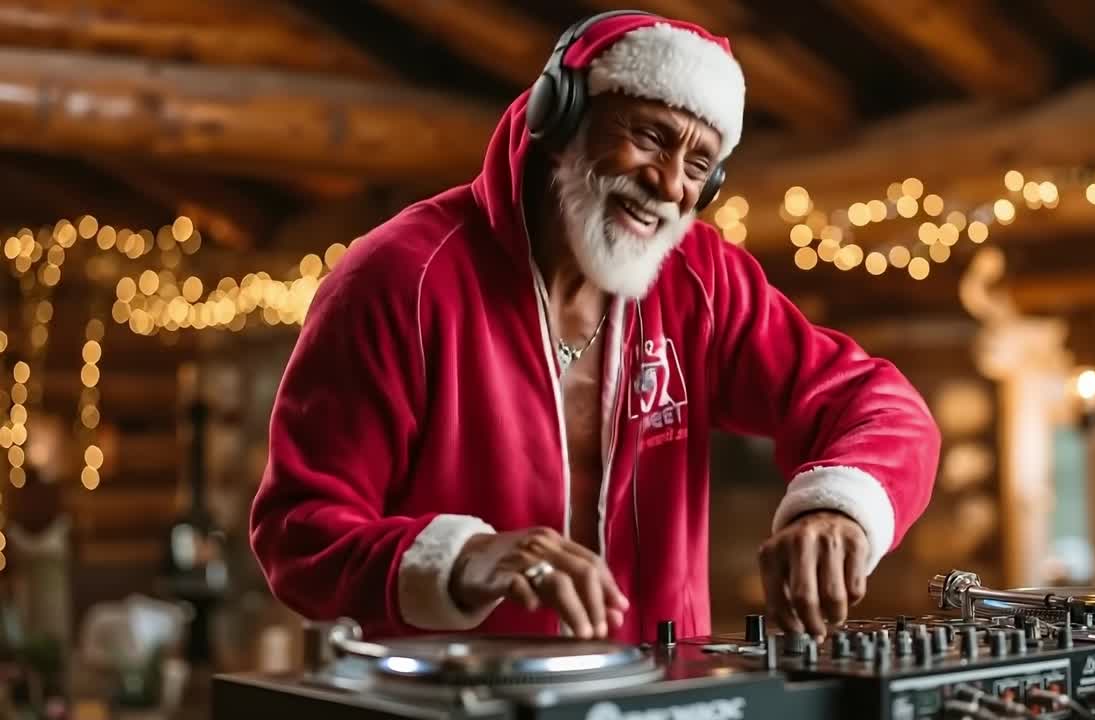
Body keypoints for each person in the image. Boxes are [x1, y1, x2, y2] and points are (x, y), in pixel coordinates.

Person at [248, 11, 940, 645]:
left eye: (698, 166)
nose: (670, 184)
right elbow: (297, 534)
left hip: (661, 701)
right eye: (649, 137)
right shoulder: (399, 279)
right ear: (562, 115)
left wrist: (839, 509)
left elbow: (881, 405)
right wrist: (463, 557)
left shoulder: (702, 278)